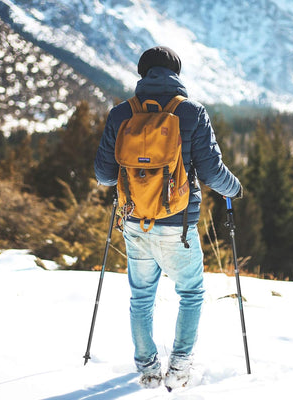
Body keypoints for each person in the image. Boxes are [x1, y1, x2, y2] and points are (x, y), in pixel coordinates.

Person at [94, 46, 242, 390]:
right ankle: (179, 365)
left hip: (134, 220)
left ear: (142, 74)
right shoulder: (191, 112)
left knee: (141, 296)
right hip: (178, 224)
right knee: (190, 292)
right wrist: (234, 189)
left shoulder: (120, 114)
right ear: (177, 74)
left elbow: (103, 175)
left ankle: (147, 368)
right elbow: (210, 170)